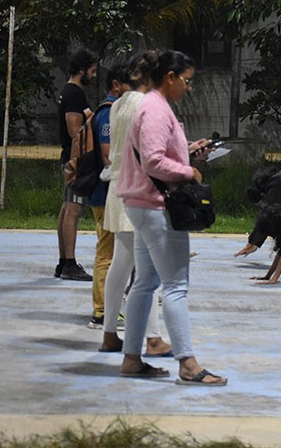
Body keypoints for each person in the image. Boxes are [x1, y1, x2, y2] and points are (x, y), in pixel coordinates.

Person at [116, 50, 226, 385]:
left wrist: (189, 152)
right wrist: (187, 170)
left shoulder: (154, 107)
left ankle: (132, 358)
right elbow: (152, 160)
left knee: (146, 283)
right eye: (187, 81)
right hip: (155, 205)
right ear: (170, 77)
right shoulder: (153, 109)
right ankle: (188, 364)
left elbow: (157, 154)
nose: (188, 88)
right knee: (176, 286)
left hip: (144, 203)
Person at [98, 52, 171, 357]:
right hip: (137, 189)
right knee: (146, 269)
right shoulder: (146, 106)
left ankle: (109, 333)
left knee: (122, 264)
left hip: (117, 187)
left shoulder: (118, 105)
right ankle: (152, 338)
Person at [86, 63, 131, 330]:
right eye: (130, 85)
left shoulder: (116, 110)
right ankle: (101, 312)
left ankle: (107, 308)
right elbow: (108, 157)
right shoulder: (109, 112)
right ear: (116, 85)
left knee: (112, 253)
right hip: (105, 193)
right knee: (106, 254)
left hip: (109, 193)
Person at [54, 48, 98, 281]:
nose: (94, 75)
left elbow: (90, 116)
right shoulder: (73, 94)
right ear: (81, 71)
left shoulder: (74, 93)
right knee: (73, 209)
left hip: (71, 158)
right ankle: (69, 263)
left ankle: (64, 262)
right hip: (77, 159)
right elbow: (75, 131)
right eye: (92, 71)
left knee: (67, 209)